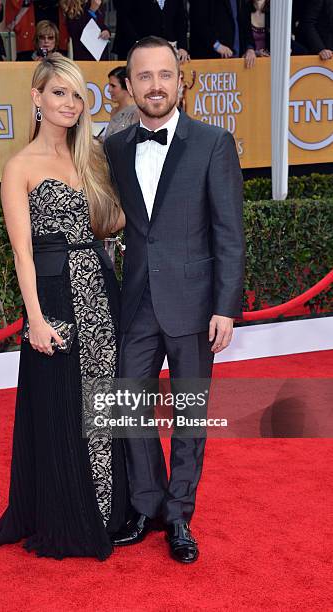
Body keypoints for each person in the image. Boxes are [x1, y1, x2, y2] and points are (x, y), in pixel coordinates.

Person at [104, 37, 245, 564]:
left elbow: (229, 231)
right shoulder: (114, 147)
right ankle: (147, 504)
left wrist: (226, 306)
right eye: (144, 77)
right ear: (131, 83)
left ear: (180, 79)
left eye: (165, 75)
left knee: (189, 417)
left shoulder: (213, 141)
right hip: (136, 303)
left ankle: (180, 515)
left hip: (194, 303)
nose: (156, 85)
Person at [0, 53, 129, 560]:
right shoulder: (20, 166)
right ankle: (68, 513)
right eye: (59, 93)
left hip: (101, 292)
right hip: (54, 299)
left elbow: (110, 226)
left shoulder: (91, 155)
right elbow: (22, 253)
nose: (70, 103)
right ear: (37, 97)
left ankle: (112, 511)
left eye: (76, 94)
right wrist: (36, 321)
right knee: (63, 405)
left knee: (102, 402)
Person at [113, 0, 189, 62]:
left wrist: (182, 47)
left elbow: (181, 20)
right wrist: (138, 43)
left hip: (168, 50)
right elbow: (123, 18)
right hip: (136, 50)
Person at [189, 0, 257, 68]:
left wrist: (250, 48)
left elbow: (246, 24)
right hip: (209, 61)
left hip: (239, 62)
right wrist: (217, 45)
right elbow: (197, 20)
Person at [104, 66, 139, 140]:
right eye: (109, 86)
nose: (109, 90)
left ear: (126, 86)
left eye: (113, 86)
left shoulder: (137, 112)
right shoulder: (114, 111)